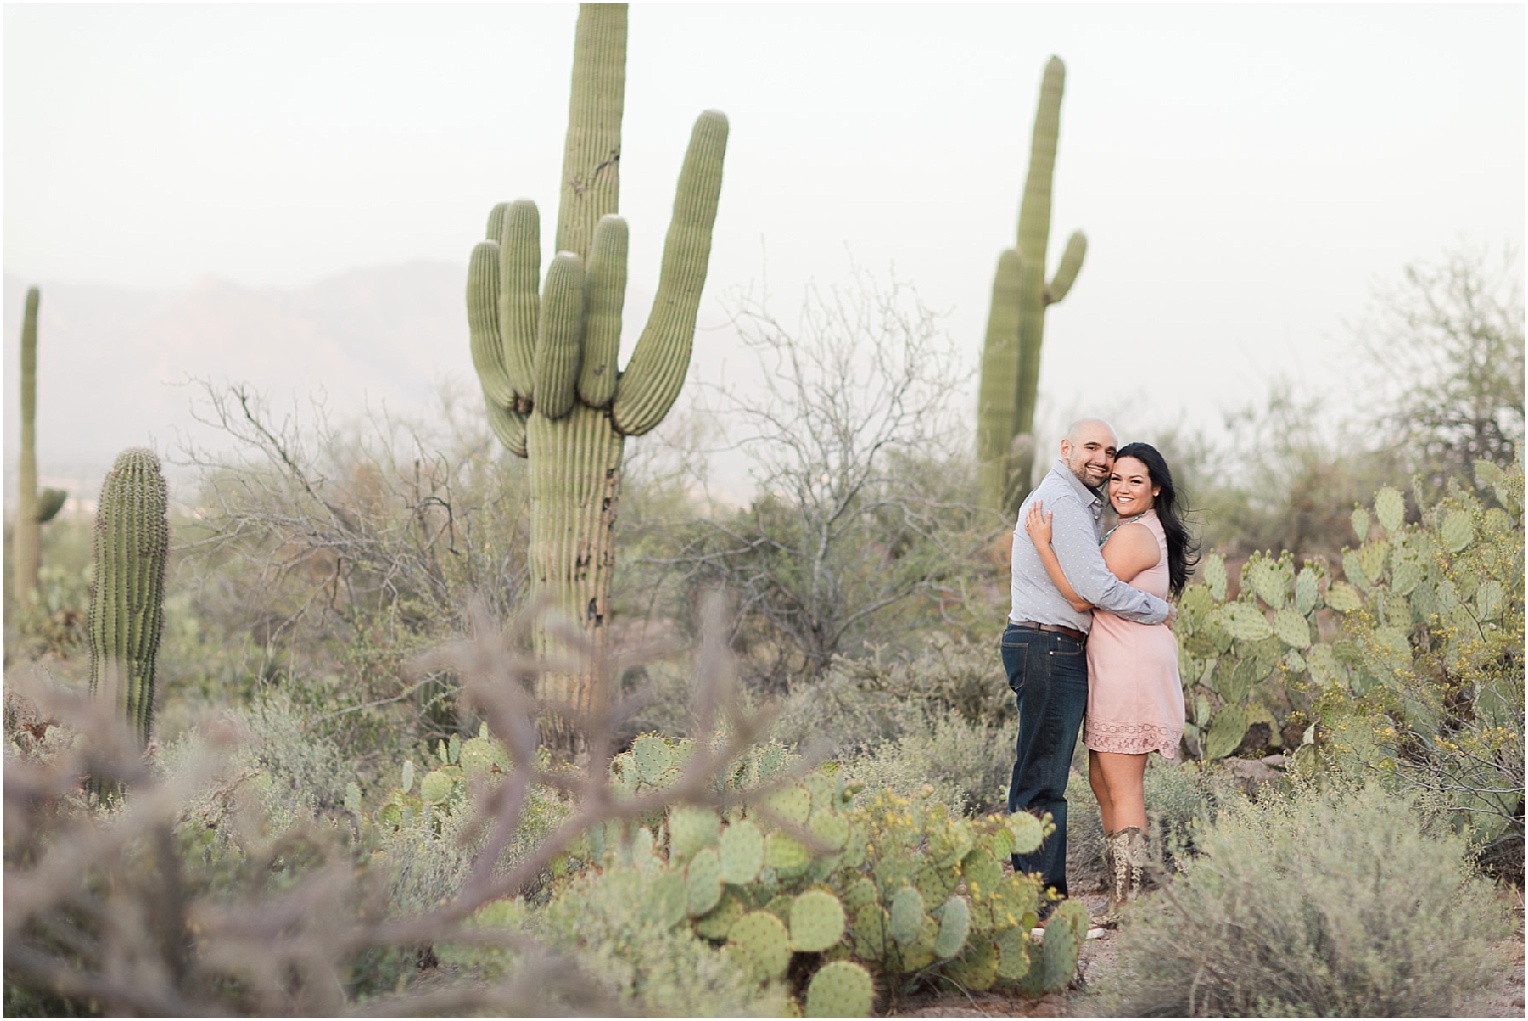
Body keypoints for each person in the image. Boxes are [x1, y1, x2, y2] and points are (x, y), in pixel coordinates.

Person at [1004, 419, 1173, 912]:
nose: (1104, 465)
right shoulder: (1065, 503)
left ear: (1155, 489)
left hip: (1085, 655)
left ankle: (1119, 901)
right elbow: (1089, 595)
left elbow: (1088, 593)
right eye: (1093, 450)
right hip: (1049, 646)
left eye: (1115, 458)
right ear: (1066, 449)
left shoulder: (1097, 514)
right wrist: (1159, 610)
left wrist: (1041, 547)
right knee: (1048, 781)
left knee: (1095, 782)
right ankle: (1043, 904)